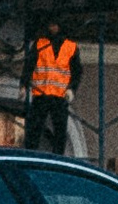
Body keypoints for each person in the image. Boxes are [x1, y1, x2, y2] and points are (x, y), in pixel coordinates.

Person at [22, 13, 80, 154]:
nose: (52, 28)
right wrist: (23, 85)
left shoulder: (71, 47)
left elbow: (77, 71)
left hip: (59, 96)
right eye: (50, 25)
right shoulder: (40, 44)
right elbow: (29, 65)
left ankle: (58, 155)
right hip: (41, 93)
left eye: (54, 25)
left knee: (60, 129)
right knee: (35, 128)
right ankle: (31, 153)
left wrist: (72, 89)